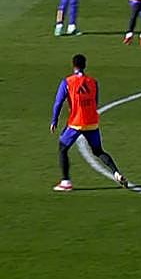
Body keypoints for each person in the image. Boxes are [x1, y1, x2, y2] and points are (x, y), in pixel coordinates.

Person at [49, 53, 127, 192]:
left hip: (76, 123)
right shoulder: (93, 82)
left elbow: (58, 102)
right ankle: (116, 172)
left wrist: (54, 120)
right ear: (85, 66)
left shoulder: (67, 82)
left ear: (73, 65)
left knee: (62, 148)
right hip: (92, 122)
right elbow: (95, 102)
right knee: (98, 151)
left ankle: (66, 182)